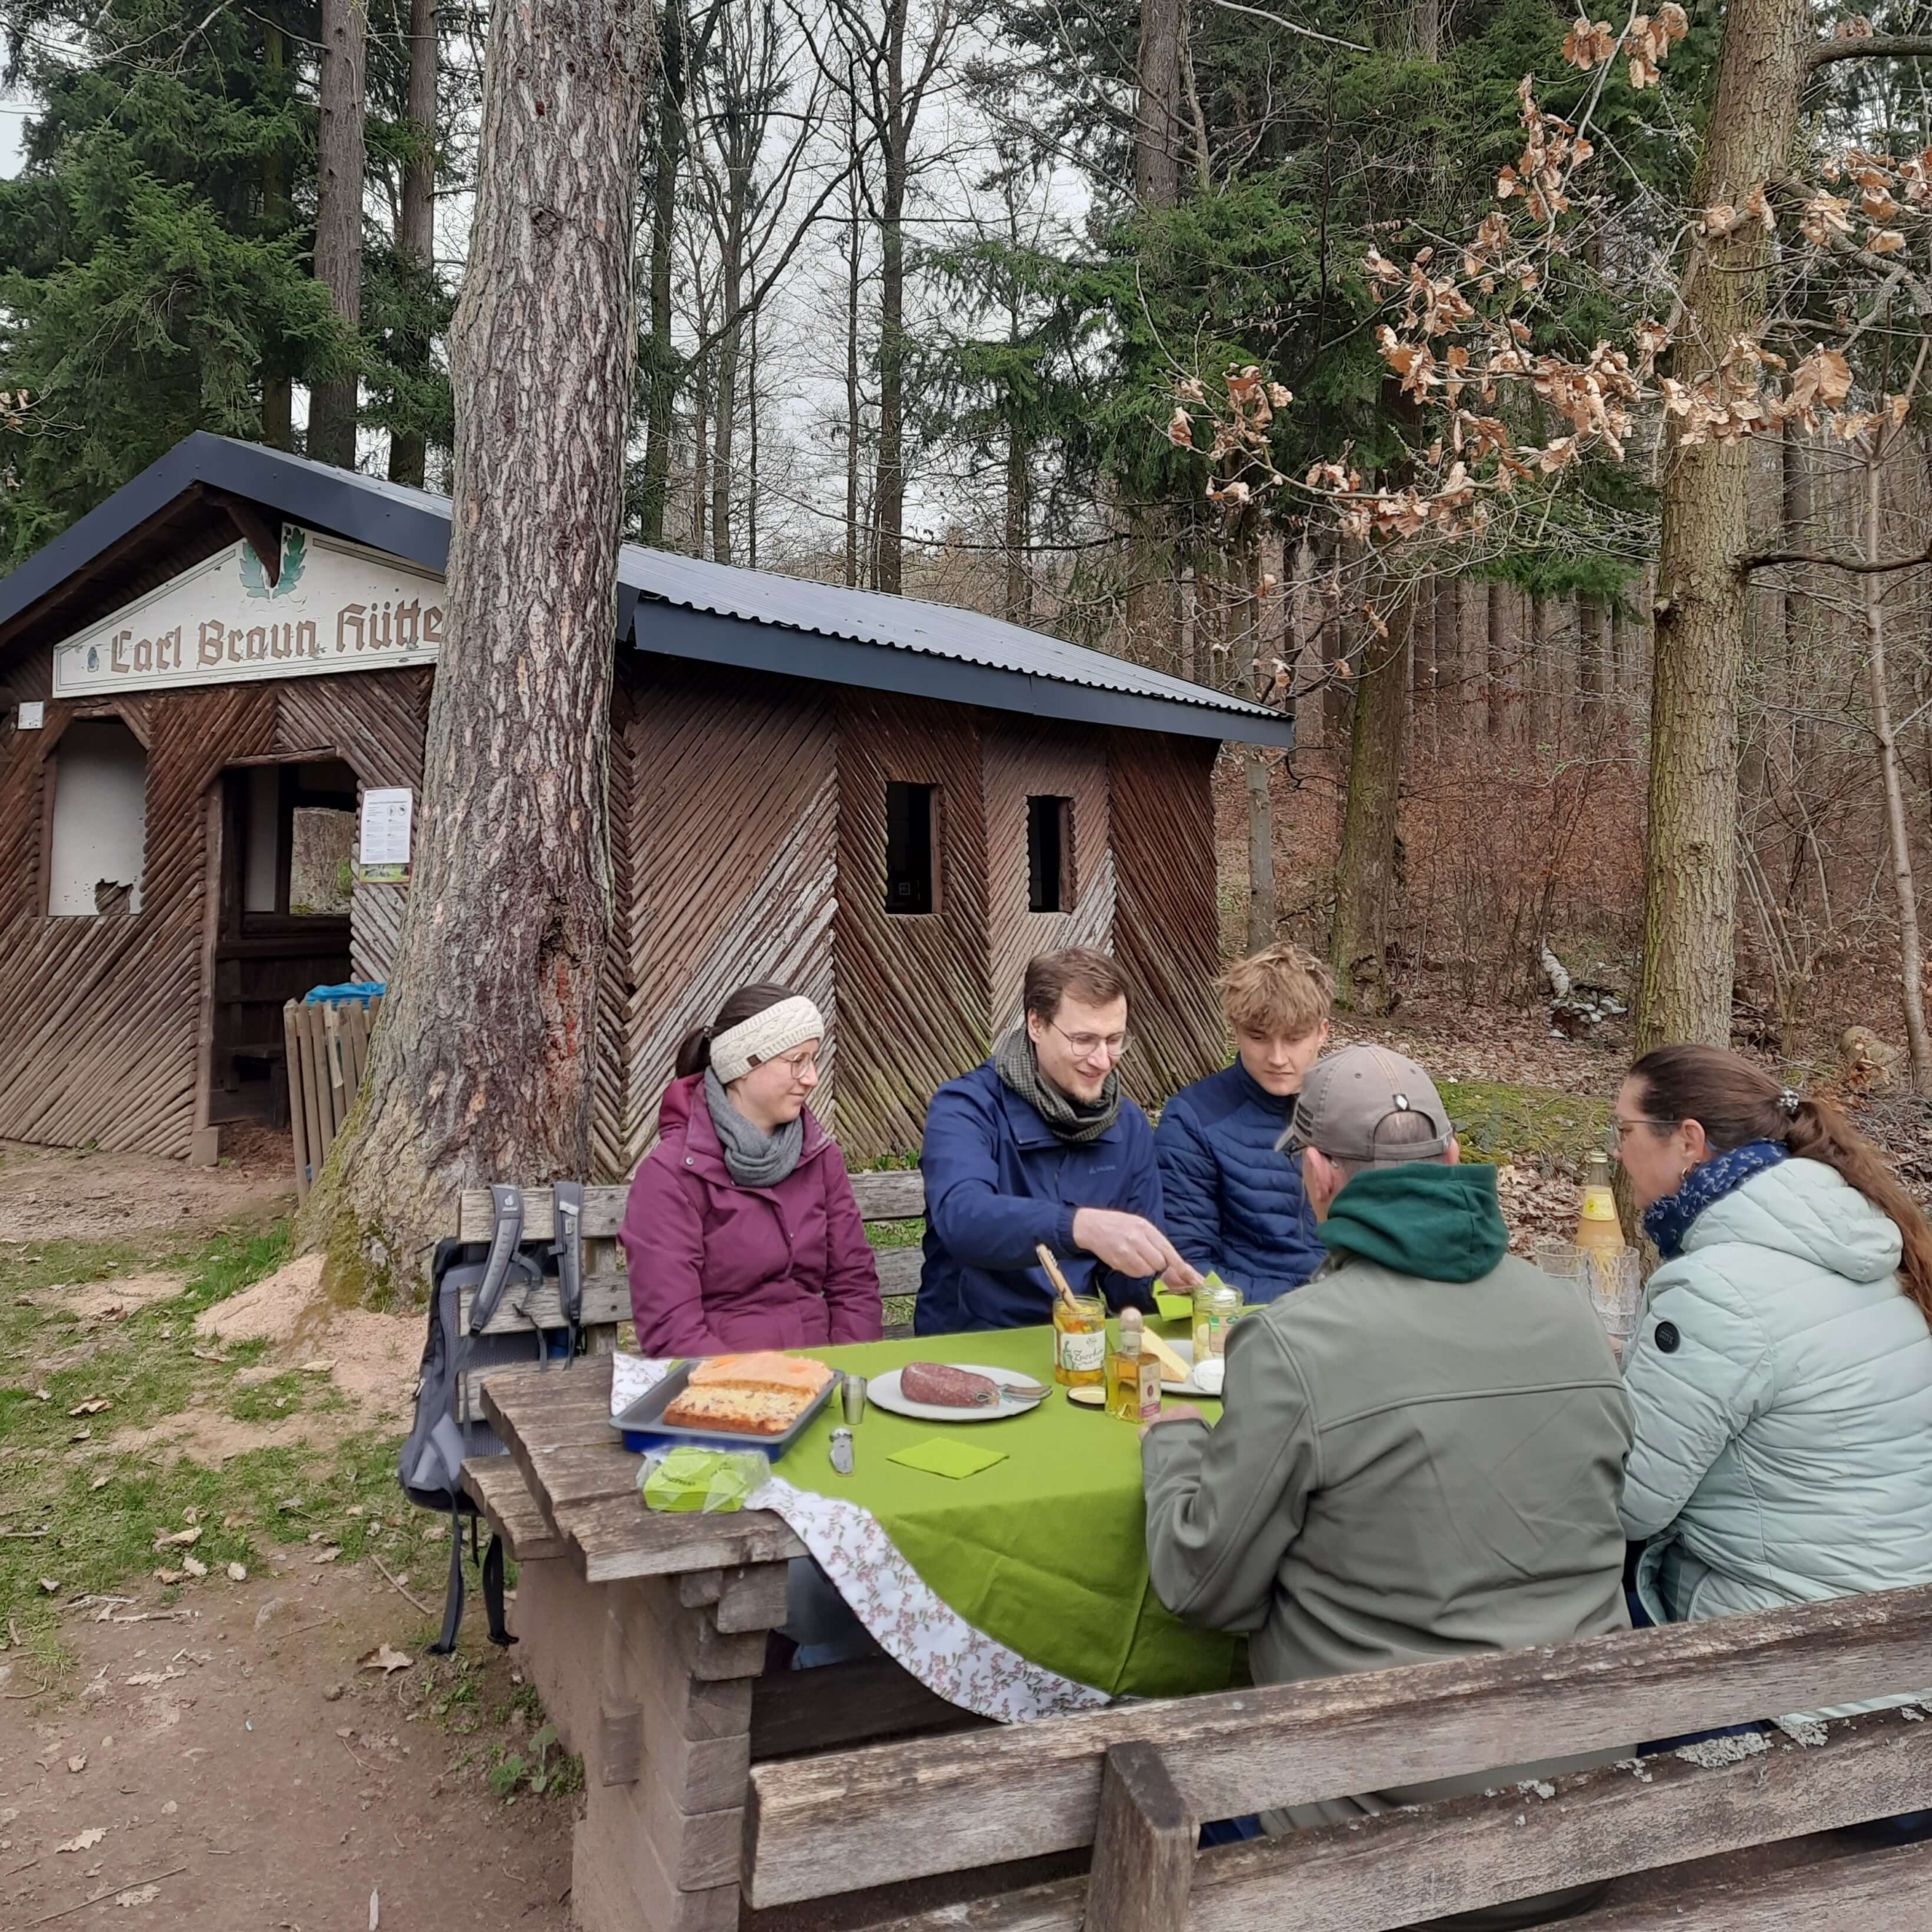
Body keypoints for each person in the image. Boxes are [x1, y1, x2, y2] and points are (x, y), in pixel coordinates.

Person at [1143, 1044, 1631, 1919]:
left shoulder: (1297, 1343)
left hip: (1379, 1835)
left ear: (1319, 1176)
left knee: (1145, 1788)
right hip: (1587, 1810)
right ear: (1452, 1160)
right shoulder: (1571, 1316)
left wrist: (1172, 1437)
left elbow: (1197, 1583)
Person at [1614, 1044, 1932, 1638]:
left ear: (1688, 1140)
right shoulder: (1860, 1239)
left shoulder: (1717, 1287)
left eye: (1625, 1130)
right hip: (1901, 1631)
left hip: (1790, 1655)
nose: (1618, 1149)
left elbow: (1628, 1503)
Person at [915, 947, 1198, 1335]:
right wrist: (1079, 1227)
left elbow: (1121, 1286)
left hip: (1074, 1341)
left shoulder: (1127, 1124)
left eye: (1114, 1039)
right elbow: (962, 1217)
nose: (1103, 1060)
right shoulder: (967, 1106)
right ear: (1036, 1024)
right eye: (1083, 1040)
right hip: (969, 1340)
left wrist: (1158, 1284)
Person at [620, 983, 882, 1355]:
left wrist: (846, 1370)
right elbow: (672, 1328)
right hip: (723, 1390)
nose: (811, 1078)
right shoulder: (670, 1175)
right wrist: (762, 1391)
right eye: (797, 1061)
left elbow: (853, 1285)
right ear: (744, 1065)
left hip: (822, 1378)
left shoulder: (820, 1157)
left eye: (814, 1060)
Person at [1153, 942, 1331, 1302]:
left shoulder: (1355, 1110)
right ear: (1235, 1029)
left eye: (1295, 1039)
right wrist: (1308, 1301)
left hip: (1352, 1318)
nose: (1278, 1058)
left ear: (1322, 1032)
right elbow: (1189, 1271)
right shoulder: (1193, 1120)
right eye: (1258, 1038)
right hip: (1245, 1323)